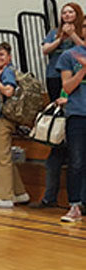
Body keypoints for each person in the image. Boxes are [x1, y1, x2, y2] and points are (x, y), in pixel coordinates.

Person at [32, 2, 83, 209]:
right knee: (58, 145)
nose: (67, 15)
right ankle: (52, 197)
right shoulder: (54, 31)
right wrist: (61, 38)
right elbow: (45, 49)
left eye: (71, 12)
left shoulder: (80, 32)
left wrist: (73, 36)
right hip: (56, 78)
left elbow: (83, 47)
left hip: (77, 89)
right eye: (64, 12)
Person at [0, 42, 30, 208]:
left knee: (1, 159)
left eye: (1, 55)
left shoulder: (6, 72)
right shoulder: (2, 71)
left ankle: (4, 197)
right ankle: (19, 193)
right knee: (5, 157)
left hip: (2, 118)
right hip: (1, 116)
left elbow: (8, 91)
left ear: (9, 56)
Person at [58, 43, 86, 222]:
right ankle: (74, 205)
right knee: (76, 162)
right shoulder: (70, 54)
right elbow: (67, 88)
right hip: (77, 114)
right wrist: (83, 70)